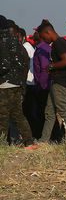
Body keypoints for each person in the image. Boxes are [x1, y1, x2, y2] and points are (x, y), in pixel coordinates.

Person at [0, 15, 38, 149]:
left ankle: (2, 145)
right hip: (17, 83)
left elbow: (4, 65)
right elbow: (24, 62)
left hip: (6, 84)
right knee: (18, 115)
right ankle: (29, 141)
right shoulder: (16, 41)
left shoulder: (3, 41)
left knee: (2, 116)